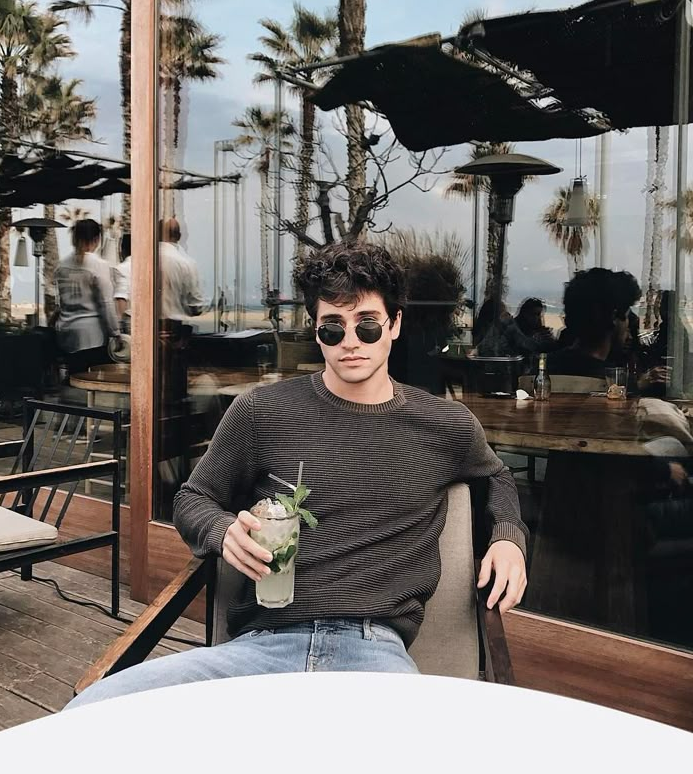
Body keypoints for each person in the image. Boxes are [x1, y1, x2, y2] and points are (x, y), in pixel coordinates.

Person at [68, 241, 527, 709]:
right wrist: (222, 530)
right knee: (91, 713)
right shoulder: (262, 411)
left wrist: (507, 538)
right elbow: (194, 498)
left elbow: (497, 479)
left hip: (374, 655)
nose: (351, 340)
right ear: (316, 329)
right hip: (259, 647)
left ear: (395, 324)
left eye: (367, 324)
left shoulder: (444, 425)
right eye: (333, 327)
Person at [547, 268, 641, 379]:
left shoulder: (543, 369)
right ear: (614, 317)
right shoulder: (615, 384)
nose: (628, 327)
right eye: (626, 317)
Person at [54, 218, 120, 375]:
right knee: (92, 383)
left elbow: (61, 301)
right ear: (97, 239)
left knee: (74, 379)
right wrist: (115, 332)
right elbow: (106, 303)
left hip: (66, 333)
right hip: (92, 336)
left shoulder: (62, 265)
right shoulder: (99, 265)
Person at [159, 217, 204, 321]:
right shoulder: (187, 263)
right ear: (179, 236)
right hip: (176, 327)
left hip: (144, 330)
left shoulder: (140, 261)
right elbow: (196, 306)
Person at [113, 232, 131, 323]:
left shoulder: (121, 268)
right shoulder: (148, 266)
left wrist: (119, 324)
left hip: (129, 319)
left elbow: (121, 296)